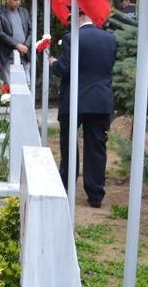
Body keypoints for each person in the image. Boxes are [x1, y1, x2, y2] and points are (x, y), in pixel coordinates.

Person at [50, 11, 117, 208]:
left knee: (69, 145)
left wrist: (53, 62)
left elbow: (64, 68)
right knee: (96, 147)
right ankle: (95, 194)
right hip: (100, 101)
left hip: (75, 100)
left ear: (78, 19)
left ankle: (68, 186)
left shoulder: (72, 38)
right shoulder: (110, 40)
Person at [0, 0, 32, 83]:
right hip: (7, 54)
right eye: (15, 0)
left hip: (24, 53)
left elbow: (31, 30)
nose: (18, 2)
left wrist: (26, 45)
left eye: (19, 0)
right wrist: (17, 45)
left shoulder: (24, 12)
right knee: (8, 84)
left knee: (27, 82)